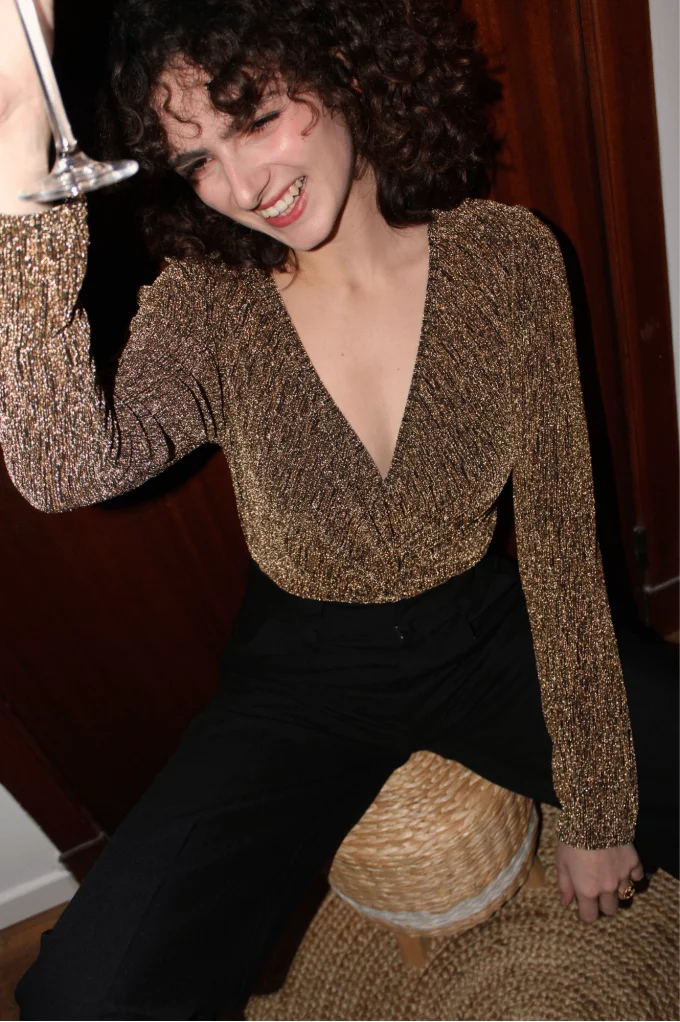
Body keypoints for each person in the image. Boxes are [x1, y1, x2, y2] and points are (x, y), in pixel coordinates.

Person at [1, 0, 677, 1018]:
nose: (241, 186)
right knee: (85, 994)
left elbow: (559, 543)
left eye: (256, 119)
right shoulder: (208, 299)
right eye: (197, 161)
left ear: (347, 69)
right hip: (299, 671)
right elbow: (62, 469)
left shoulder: (506, 258)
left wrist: (595, 807)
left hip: (486, 630)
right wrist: (21, 162)